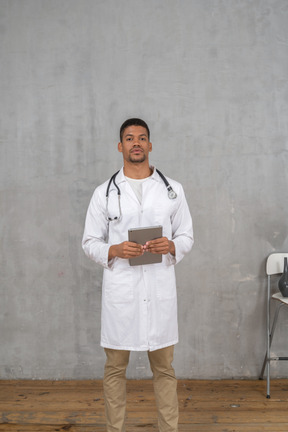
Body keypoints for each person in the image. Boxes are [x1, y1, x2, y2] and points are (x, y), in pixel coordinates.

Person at [82, 118, 194, 432]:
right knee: (115, 369)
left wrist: (171, 244)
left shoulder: (173, 191)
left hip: (159, 290)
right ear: (120, 146)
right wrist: (115, 250)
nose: (136, 143)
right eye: (129, 138)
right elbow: (89, 241)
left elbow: (187, 236)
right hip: (123, 293)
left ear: (150, 145)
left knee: (165, 369)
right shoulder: (104, 193)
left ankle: (168, 429)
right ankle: (114, 429)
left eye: (142, 138)